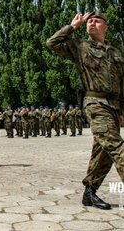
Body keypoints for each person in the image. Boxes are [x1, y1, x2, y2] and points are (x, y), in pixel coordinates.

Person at [47, 11, 124, 210]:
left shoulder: (115, 52)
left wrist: (122, 110)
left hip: (114, 106)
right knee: (116, 146)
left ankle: (89, 193)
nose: (92, 23)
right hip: (95, 103)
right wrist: (73, 26)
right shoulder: (81, 46)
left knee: (103, 152)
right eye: (89, 21)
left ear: (105, 27)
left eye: (97, 21)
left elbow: (121, 83)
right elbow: (52, 43)